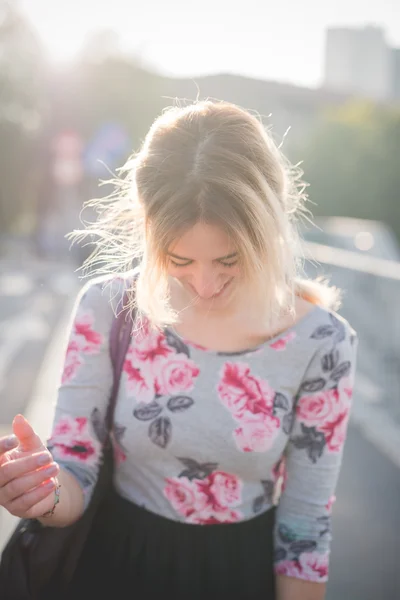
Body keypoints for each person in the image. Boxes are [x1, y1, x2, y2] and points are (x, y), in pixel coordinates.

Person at [0, 101, 358, 600]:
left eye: (230, 259)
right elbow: (75, 468)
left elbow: (305, 523)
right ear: (148, 229)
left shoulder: (324, 342)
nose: (205, 285)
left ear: (269, 230)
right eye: (180, 260)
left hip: (241, 577)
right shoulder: (108, 306)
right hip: (112, 570)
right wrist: (43, 490)